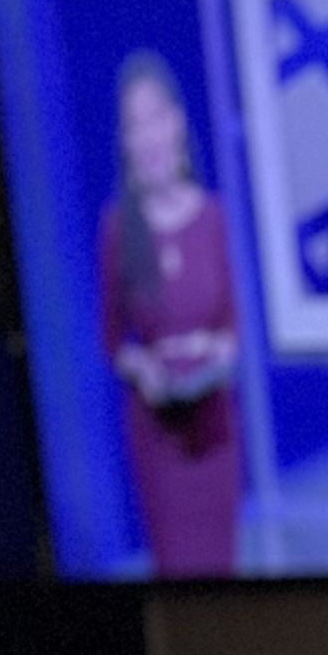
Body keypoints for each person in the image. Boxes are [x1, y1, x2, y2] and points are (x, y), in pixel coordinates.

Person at [96, 50, 241, 579]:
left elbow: (233, 323)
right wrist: (143, 368)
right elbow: (112, 340)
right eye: (136, 125)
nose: (150, 135)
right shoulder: (118, 229)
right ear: (126, 143)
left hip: (215, 430)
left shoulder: (213, 219)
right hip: (160, 436)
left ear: (178, 123)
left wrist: (219, 351)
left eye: (157, 117)